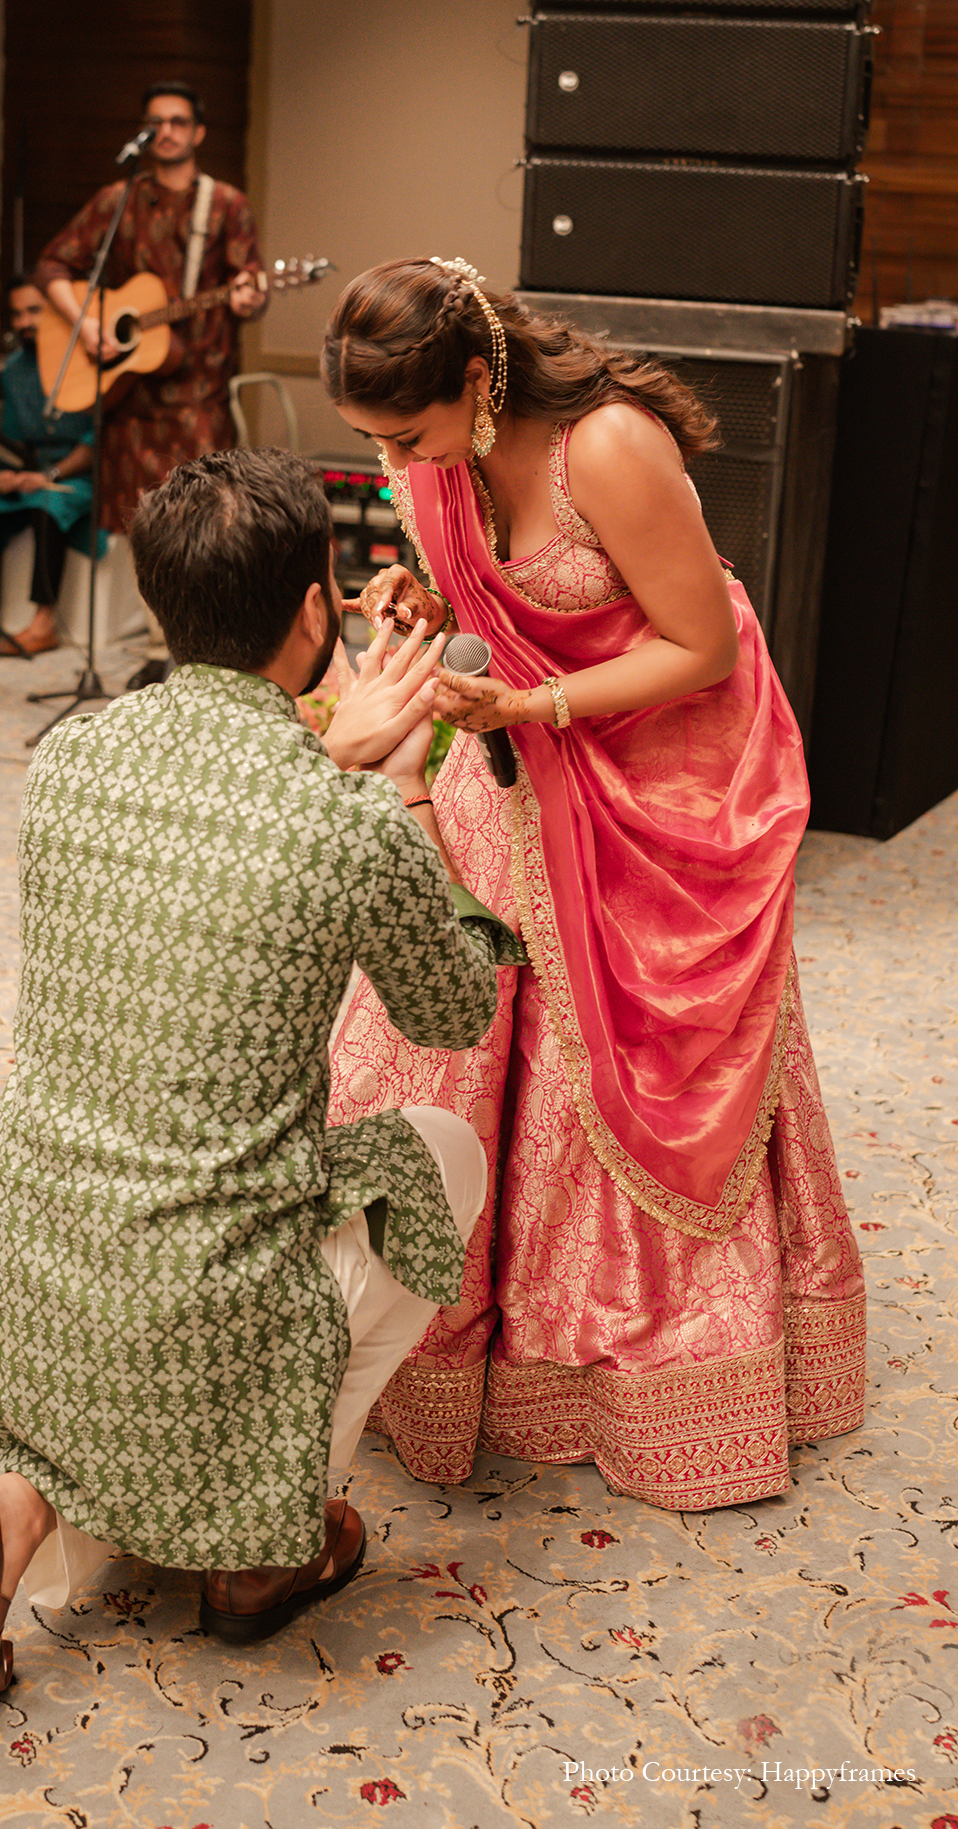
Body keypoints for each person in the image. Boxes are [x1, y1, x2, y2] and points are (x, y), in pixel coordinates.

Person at [0, 445, 525, 1704]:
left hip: (42, 1269)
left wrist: (327, 766)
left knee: (141, 1304)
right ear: (310, 607)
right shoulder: (339, 817)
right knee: (444, 1148)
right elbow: (451, 1008)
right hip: (210, 1282)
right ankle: (262, 1547)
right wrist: (398, 793)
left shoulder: (71, 756)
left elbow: (220, 839)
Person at [320, 256, 866, 1510]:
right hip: (519, 747)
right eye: (373, 440)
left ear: (476, 375)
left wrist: (529, 699)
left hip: (656, 767)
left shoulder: (605, 447)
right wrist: (427, 590)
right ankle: (437, 1347)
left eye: (406, 433)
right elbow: (489, 590)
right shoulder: (434, 453)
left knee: (609, 1066)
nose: (395, 460)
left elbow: (701, 643)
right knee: (442, 1023)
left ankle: (618, 1369)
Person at [34, 82, 267, 536]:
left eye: (178, 122)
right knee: (138, 533)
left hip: (198, 398)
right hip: (129, 399)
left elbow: (250, 287)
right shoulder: (117, 200)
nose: (166, 132)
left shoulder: (225, 204)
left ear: (198, 133)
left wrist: (250, 298)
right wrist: (86, 326)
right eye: (155, 123)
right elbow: (51, 265)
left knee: (202, 530)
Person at [0, 278, 97, 657]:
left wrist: (50, 476)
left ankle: (44, 623)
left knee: (49, 506)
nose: (24, 321)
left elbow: (97, 440)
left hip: (78, 473)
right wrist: (3, 473)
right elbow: (10, 436)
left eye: (34, 310)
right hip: (33, 468)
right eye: (17, 313)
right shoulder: (14, 369)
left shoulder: (87, 360)